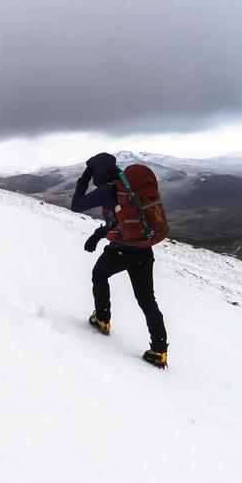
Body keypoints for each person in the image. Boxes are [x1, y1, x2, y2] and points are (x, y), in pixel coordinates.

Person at [71, 152, 169, 368]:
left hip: (122, 250)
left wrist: (83, 180)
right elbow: (122, 220)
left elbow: (76, 205)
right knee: (147, 300)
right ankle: (159, 351)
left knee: (99, 275)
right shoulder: (127, 185)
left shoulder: (108, 190)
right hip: (144, 249)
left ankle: (102, 319)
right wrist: (98, 235)